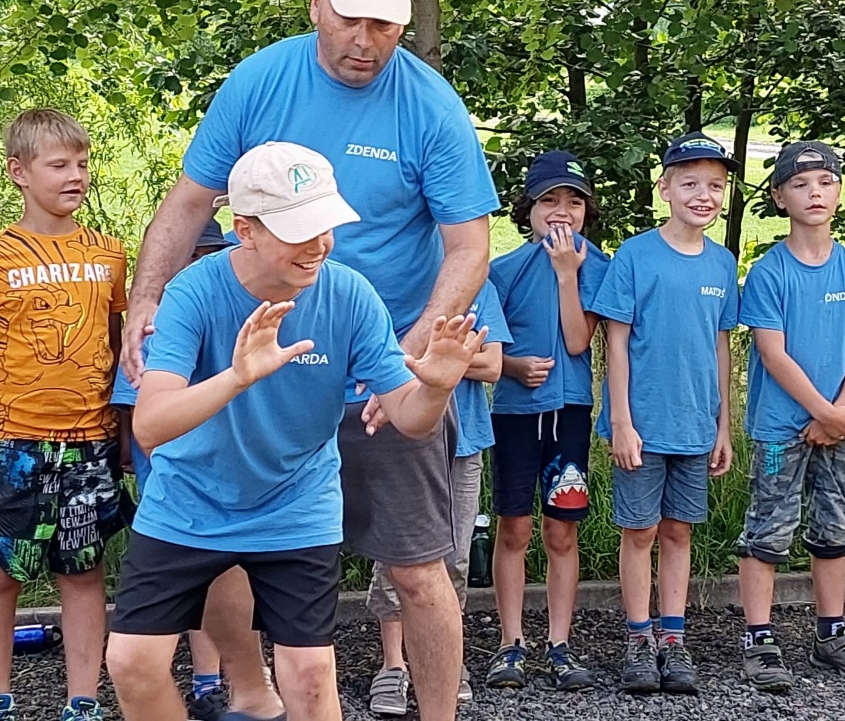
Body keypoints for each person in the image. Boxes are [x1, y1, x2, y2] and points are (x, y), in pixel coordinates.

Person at [116, 0, 497, 721]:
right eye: (350, 18)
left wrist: (414, 355)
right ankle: (252, 690)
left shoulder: (430, 105)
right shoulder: (260, 81)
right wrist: (146, 298)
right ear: (317, 2)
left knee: (419, 567)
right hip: (256, 350)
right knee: (225, 549)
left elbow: (469, 246)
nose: (366, 41)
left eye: (385, 24)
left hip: (378, 348)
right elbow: (189, 202)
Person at [104, 141, 485, 721]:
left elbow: (409, 419)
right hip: (191, 503)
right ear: (245, 230)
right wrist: (237, 376)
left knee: (309, 674)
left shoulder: (349, 295)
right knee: (131, 662)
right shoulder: (193, 293)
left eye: (324, 226)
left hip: (296, 504)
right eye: (298, 230)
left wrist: (435, 387)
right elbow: (151, 427)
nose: (318, 245)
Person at [0, 109, 136, 721]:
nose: (75, 176)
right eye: (58, 165)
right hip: (10, 443)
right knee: (0, 573)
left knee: (84, 571)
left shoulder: (109, 254)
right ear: (18, 172)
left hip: (89, 443)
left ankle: (83, 700)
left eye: (82, 164)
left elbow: (119, 349)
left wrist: (126, 433)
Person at [734, 141, 845, 692]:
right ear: (780, 198)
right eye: (800, 185)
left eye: (825, 182)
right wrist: (821, 412)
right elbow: (773, 353)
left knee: (836, 526)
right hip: (783, 429)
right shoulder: (769, 272)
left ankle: (832, 633)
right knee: (769, 529)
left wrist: (838, 414)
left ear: (839, 191)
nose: (814, 193)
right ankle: (759, 638)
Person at [592, 131, 740, 695]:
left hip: (696, 425)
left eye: (715, 187)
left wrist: (723, 425)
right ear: (665, 189)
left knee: (679, 530)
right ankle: (638, 637)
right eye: (690, 184)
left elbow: (721, 346)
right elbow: (616, 342)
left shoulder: (722, 263)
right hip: (644, 424)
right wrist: (621, 421)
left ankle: (673, 639)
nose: (703, 196)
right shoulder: (635, 256)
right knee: (640, 530)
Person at [484, 150, 607, 692]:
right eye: (548, 201)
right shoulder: (502, 270)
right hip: (514, 413)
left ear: (587, 211)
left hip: (570, 412)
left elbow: (579, 341)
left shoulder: (597, 265)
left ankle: (560, 643)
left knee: (562, 530)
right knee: (513, 526)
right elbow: (487, 353)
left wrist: (565, 275)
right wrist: (513, 366)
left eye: (573, 202)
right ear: (527, 210)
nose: (561, 211)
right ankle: (510, 642)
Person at [111, 222, 244, 721]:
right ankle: (189, 678)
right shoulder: (153, 329)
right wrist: (125, 449)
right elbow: (131, 408)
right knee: (178, 587)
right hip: (169, 489)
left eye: (209, 255)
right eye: (190, 256)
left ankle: (221, 679)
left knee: (227, 577)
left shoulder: (232, 320)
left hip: (226, 480)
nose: (199, 266)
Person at [368, 281, 508, 714]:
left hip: (465, 440)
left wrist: (428, 361)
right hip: (401, 435)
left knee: (456, 558)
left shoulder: (478, 286)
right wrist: (444, 359)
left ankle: (448, 662)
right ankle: (393, 665)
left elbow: (493, 365)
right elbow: (375, 360)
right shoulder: (394, 279)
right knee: (398, 558)